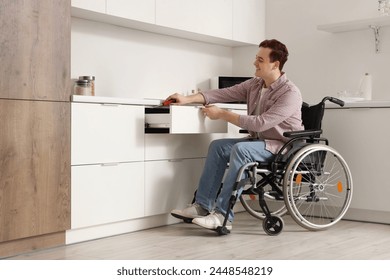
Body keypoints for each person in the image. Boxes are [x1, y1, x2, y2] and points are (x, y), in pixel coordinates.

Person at [166, 39, 303, 231]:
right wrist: (187, 98)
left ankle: (223, 216)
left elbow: (261, 122)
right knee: (218, 146)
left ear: (275, 64)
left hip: (280, 146)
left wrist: (223, 114)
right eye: (256, 58)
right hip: (258, 142)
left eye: (260, 60)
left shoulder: (290, 93)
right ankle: (203, 206)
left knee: (241, 149)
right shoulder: (255, 85)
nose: (254, 63)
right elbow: (223, 94)